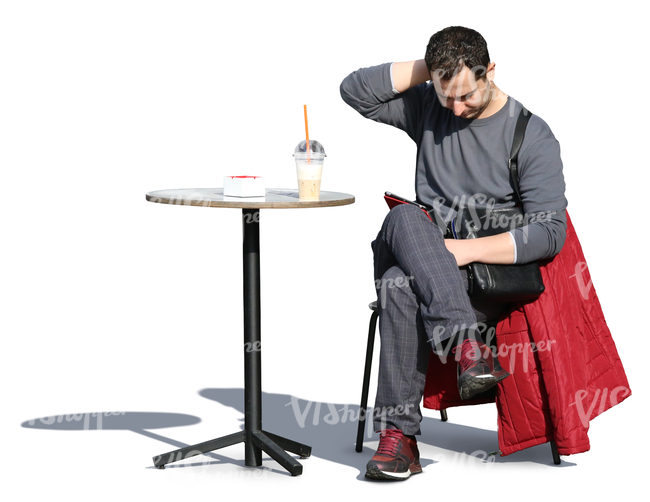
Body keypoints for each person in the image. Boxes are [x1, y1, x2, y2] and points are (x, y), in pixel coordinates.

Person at [339, 26, 568, 480]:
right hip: (429, 257)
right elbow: (354, 91)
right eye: (447, 96)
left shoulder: (531, 134)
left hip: (480, 277)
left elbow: (550, 234)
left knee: (397, 285)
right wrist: (435, 66)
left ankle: (399, 439)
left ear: (490, 71)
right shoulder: (430, 104)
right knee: (404, 218)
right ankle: (468, 347)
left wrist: (462, 252)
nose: (456, 108)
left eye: (465, 94)